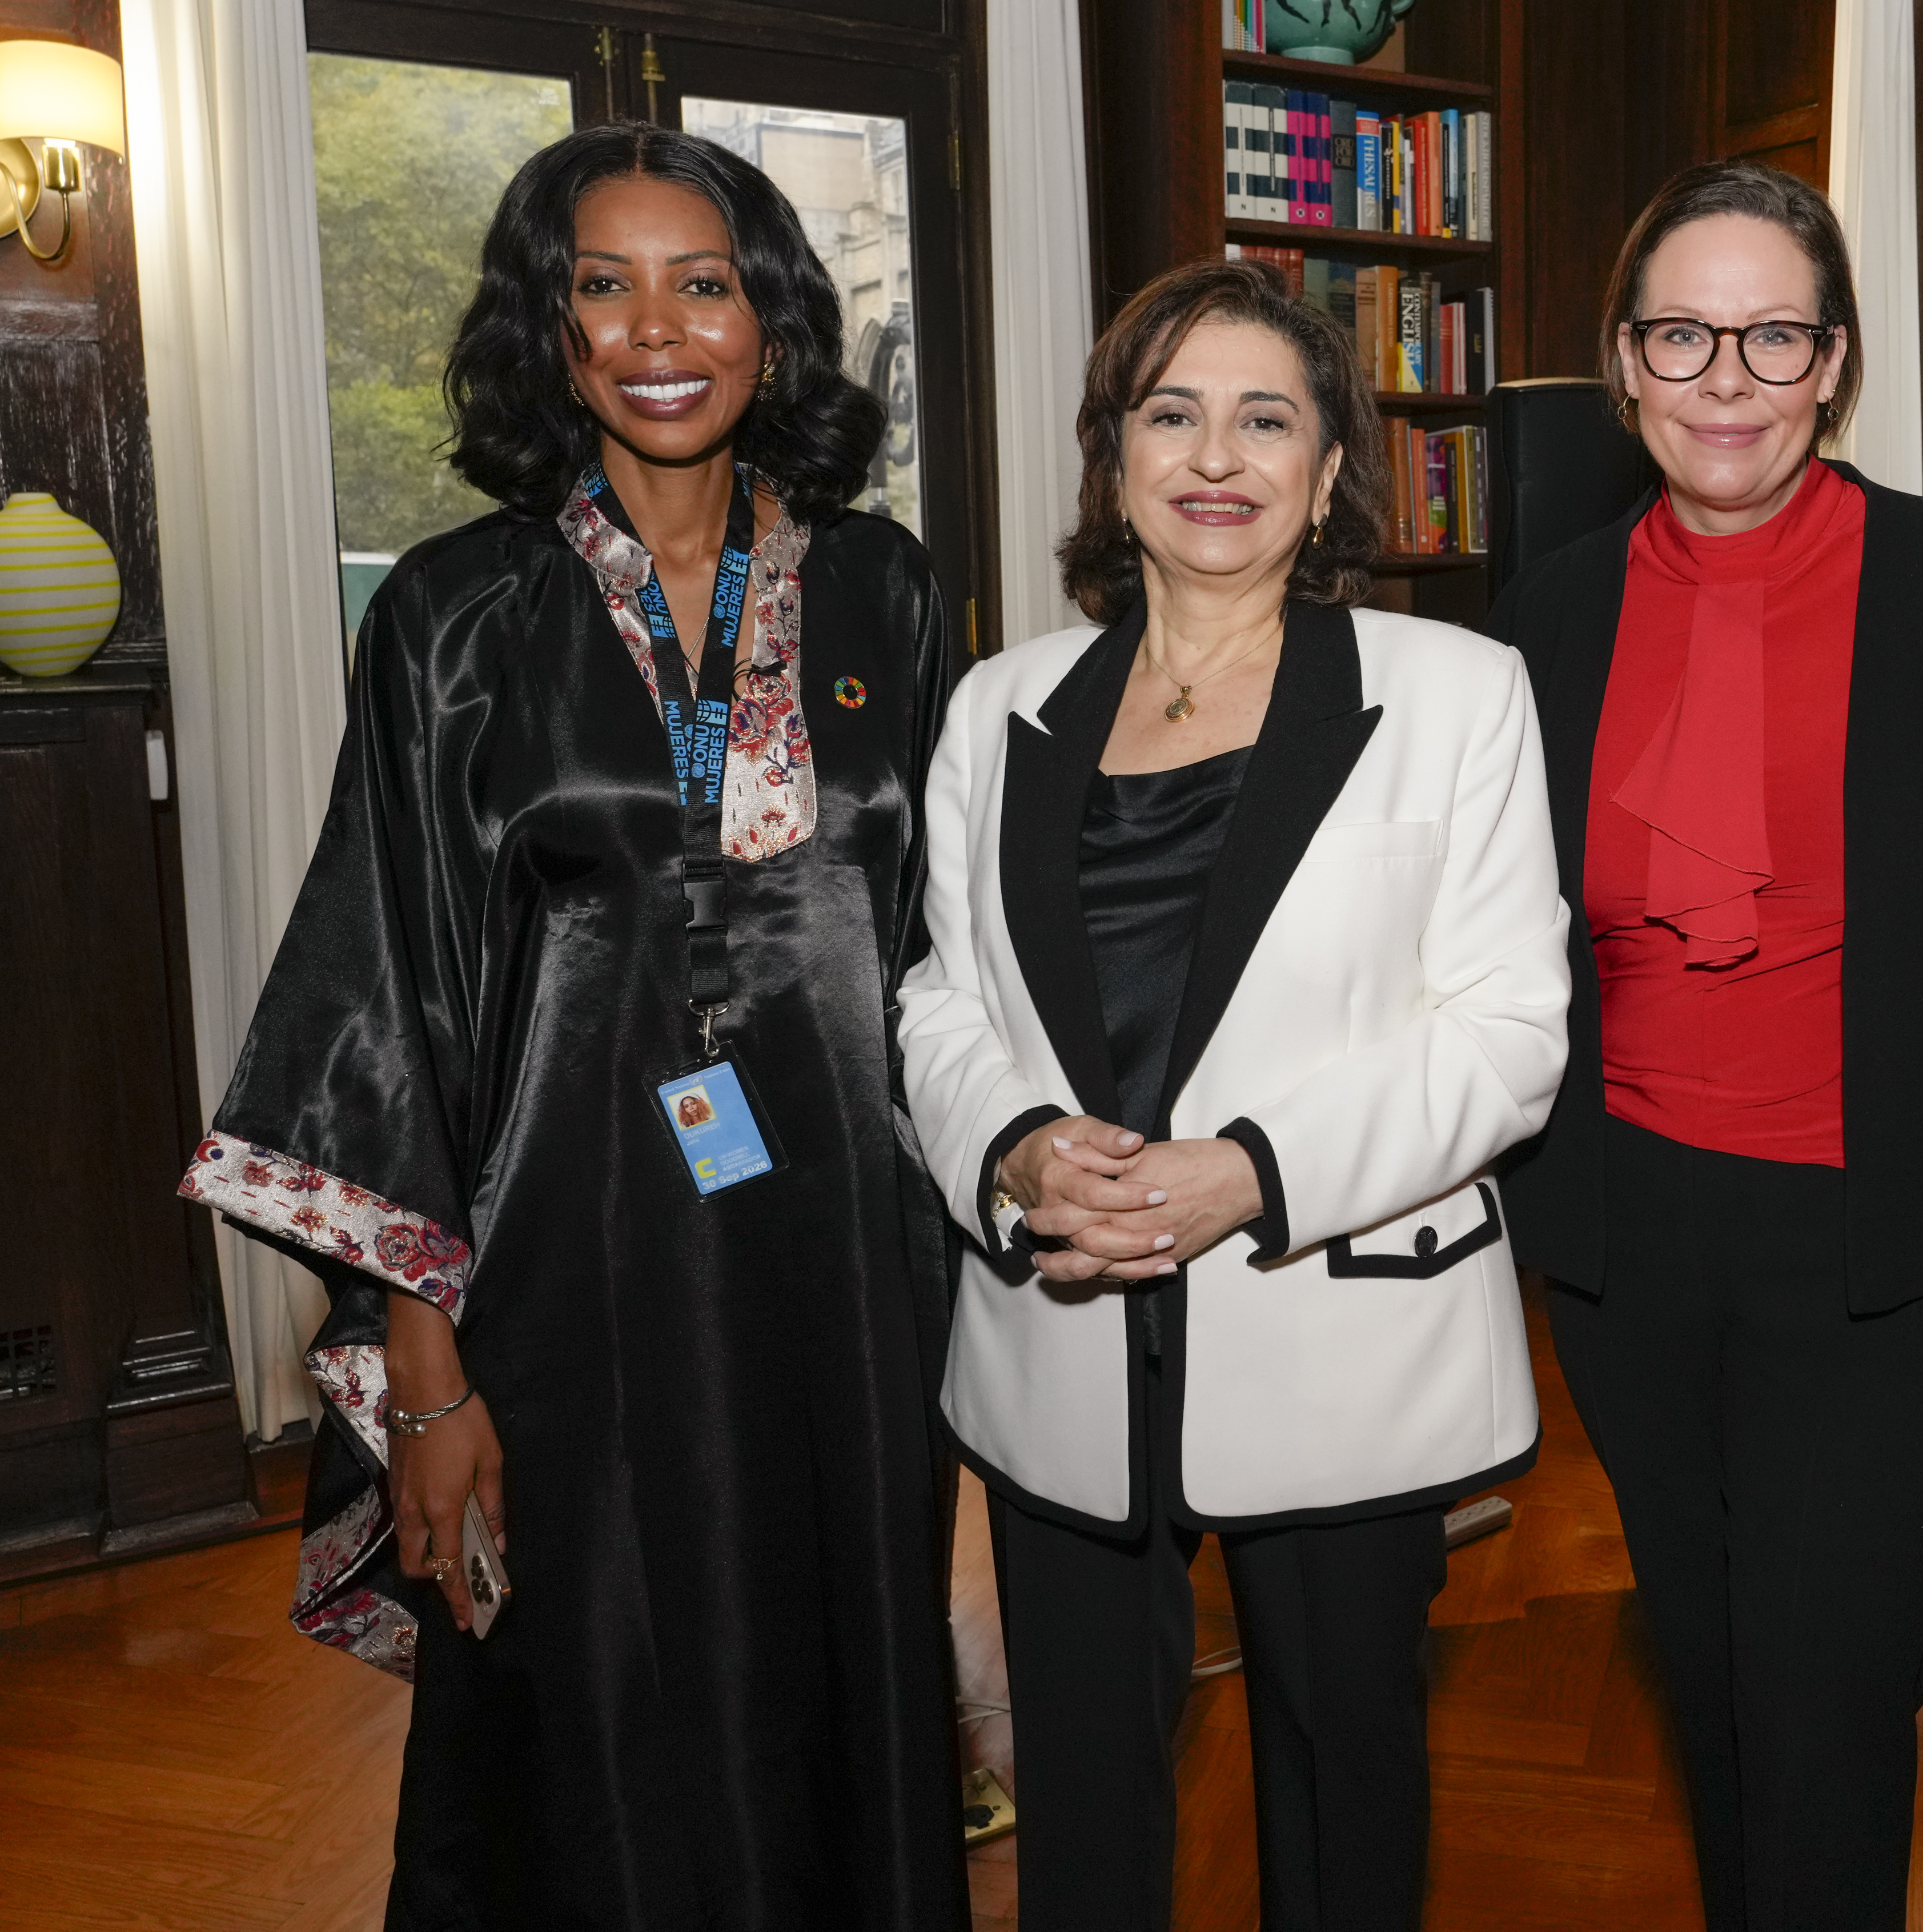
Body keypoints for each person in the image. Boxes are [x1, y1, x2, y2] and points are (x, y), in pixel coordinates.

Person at [180, 123, 966, 1930]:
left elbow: (942, 946)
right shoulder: (456, 611)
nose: (656, 330)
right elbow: (387, 991)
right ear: (548, 328)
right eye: (602, 287)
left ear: (772, 318)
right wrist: (429, 1377)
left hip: (848, 1273)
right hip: (565, 1278)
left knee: (838, 1663)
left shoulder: (886, 587)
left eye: (704, 283)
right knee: (589, 1697)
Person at [896, 257, 1568, 1932]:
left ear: (1328, 472)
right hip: (1062, 1323)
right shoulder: (995, 707)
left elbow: (1509, 1031)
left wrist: (1250, 1172)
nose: (1216, 456)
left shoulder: (1456, 692)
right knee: (1083, 1802)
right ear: (1112, 458)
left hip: (1340, 1327)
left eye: (1266, 420)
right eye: (1172, 414)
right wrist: (1014, 1148)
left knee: (1346, 1787)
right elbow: (938, 995)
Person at [1483, 159, 1923, 1932]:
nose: (1724, 377)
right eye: (1681, 334)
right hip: (1626, 1235)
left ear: (1833, 361)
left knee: (1828, 1690)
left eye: (1772, 335)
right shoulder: (1548, 612)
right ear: (1623, 362)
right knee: (1713, 1663)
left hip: (1883, 1235)